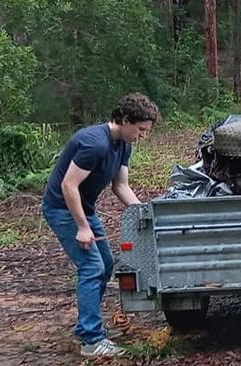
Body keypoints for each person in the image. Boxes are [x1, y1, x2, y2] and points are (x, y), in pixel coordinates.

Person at [41, 93, 160, 356]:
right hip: (62, 208)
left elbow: (121, 186)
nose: (142, 136)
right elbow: (68, 186)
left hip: (84, 209)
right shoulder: (94, 143)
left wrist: (146, 214)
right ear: (126, 120)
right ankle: (92, 341)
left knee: (105, 265)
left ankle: (87, 329)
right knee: (92, 266)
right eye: (140, 130)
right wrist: (82, 227)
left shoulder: (123, 146)